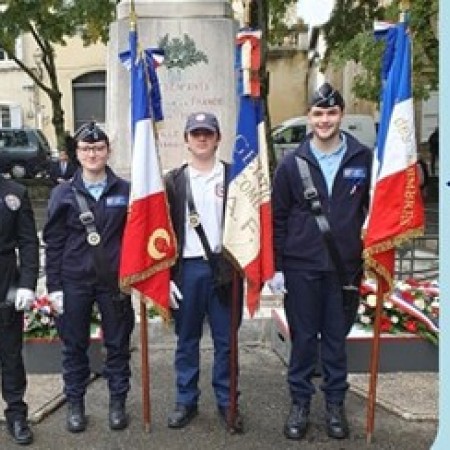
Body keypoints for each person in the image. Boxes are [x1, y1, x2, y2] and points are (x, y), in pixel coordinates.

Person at [269, 82, 372, 441]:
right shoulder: (291, 164)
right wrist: (279, 267)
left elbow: (375, 211)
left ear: (340, 115)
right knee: (303, 342)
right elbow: (278, 218)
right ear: (309, 117)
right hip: (302, 268)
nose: (324, 120)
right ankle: (299, 403)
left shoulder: (363, 158)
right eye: (318, 113)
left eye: (331, 112)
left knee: (334, 341)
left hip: (345, 268)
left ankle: (334, 406)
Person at [43, 122, 134, 433]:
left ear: (107, 151)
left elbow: (137, 238)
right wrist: (53, 287)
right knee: (74, 346)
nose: (92, 153)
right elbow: (53, 243)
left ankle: (118, 403)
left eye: (98, 148)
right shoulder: (62, 193)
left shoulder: (125, 190)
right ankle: (75, 405)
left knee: (118, 345)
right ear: (76, 154)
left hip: (114, 283)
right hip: (74, 281)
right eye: (86, 148)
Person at [164, 111, 243, 433]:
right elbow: (163, 234)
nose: (201, 138)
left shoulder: (235, 177)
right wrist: (167, 277)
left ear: (218, 138)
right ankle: (186, 400)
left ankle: (228, 402)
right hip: (188, 269)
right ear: (186, 139)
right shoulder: (173, 181)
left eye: (207, 133)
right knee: (187, 340)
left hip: (225, 268)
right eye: (195, 133)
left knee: (227, 342)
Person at [0, 174, 39, 445]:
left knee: (10, 354)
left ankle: (16, 414)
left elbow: (27, 242)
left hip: (5, 281)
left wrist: (27, 284)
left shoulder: (15, 192)